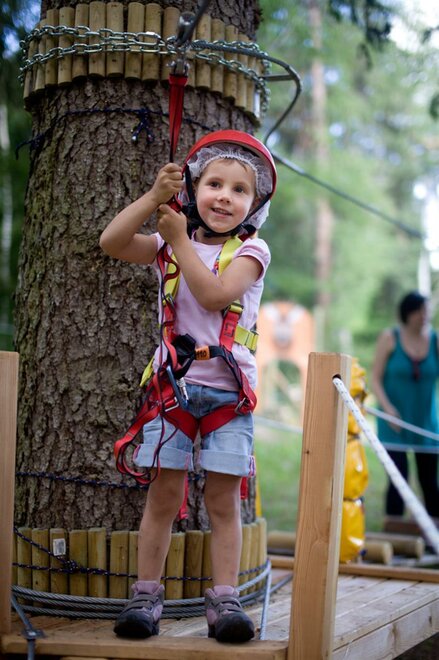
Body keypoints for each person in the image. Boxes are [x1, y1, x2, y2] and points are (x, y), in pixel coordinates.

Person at [99, 130, 277, 643]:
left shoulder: (252, 251)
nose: (224, 197)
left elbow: (216, 295)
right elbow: (112, 242)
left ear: (254, 204)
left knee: (222, 500)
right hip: (172, 390)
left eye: (239, 190)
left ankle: (225, 598)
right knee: (163, 496)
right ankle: (145, 595)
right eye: (214, 184)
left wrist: (178, 239)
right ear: (193, 189)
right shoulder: (168, 241)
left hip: (228, 395)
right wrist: (155, 198)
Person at [371, 290, 439, 522]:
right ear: (408, 313)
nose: (425, 315)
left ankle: (434, 533)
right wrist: (387, 409)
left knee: (429, 481)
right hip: (394, 421)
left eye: (427, 311)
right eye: (420, 311)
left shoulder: (436, 341)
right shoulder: (389, 338)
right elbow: (375, 378)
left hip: (426, 422)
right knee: (398, 480)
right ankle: (394, 530)